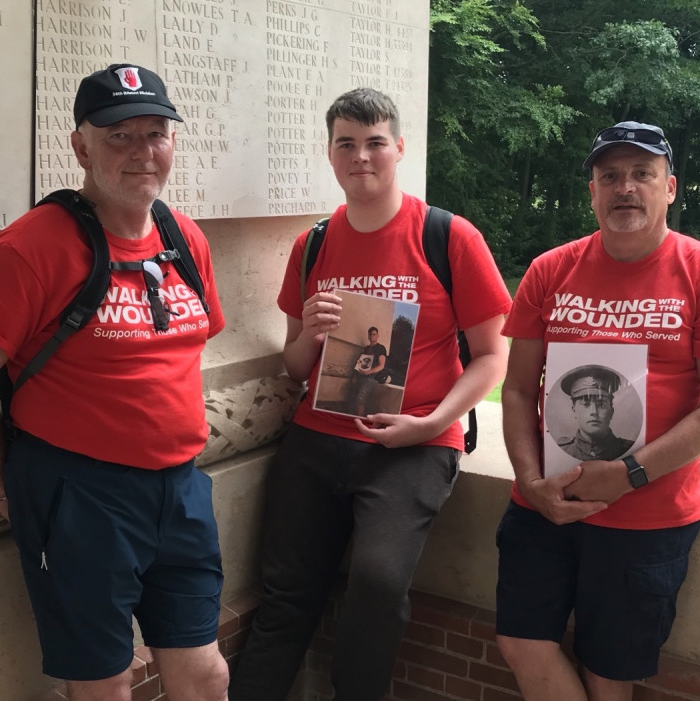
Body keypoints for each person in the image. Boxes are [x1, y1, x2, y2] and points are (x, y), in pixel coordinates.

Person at [0, 64, 229, 701]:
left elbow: (189, 349)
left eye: (156, 133)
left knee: (205, 673)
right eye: (119, 135)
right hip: (80, 497)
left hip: (180, 490)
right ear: (80, 145)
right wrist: (4, 484)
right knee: (103, 685)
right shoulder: (31, 248)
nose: (142, 152)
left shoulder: (184, 238)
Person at [228, 87, 512, 701]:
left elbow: (493, 355)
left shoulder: (449, 236)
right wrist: (313, 327)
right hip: (318, 436)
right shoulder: (313, 245)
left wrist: (432, 421)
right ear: (330, 155)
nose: (362, 156)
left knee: (378, 586)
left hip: (414, 443)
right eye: (347, 144)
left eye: (375, 142)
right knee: (286, 595)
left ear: (399, 148)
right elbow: (296, 363)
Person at [497, 121, 700, 701]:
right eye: (610, 176)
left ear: (669, 187)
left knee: (608, 671)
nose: (625, 187)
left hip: (648, 516)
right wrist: (530, 481)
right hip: (544, 503)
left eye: (642, 174)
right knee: (521, 641)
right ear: (591, 190)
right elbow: (517, 389)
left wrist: (627, 474)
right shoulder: (549, 271)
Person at [556, 365, 634, 461]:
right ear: (574, 410)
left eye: (601, 404)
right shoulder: (561, 449)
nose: (593, 412)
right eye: (585, 404)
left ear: (611, 412)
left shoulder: (631, 449)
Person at [350, 326, 388, 415]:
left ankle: (360, 420)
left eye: (374, 334)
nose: (372, 336)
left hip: (371, 378)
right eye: (370, 334)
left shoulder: (381, 348)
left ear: (378, 335)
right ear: (368, 336)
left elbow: (381, 366)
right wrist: (355, 376)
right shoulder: (366, 349)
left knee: (360, 399)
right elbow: (359, 363)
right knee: (352, 399)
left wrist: (369, 372)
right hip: (360, 377)